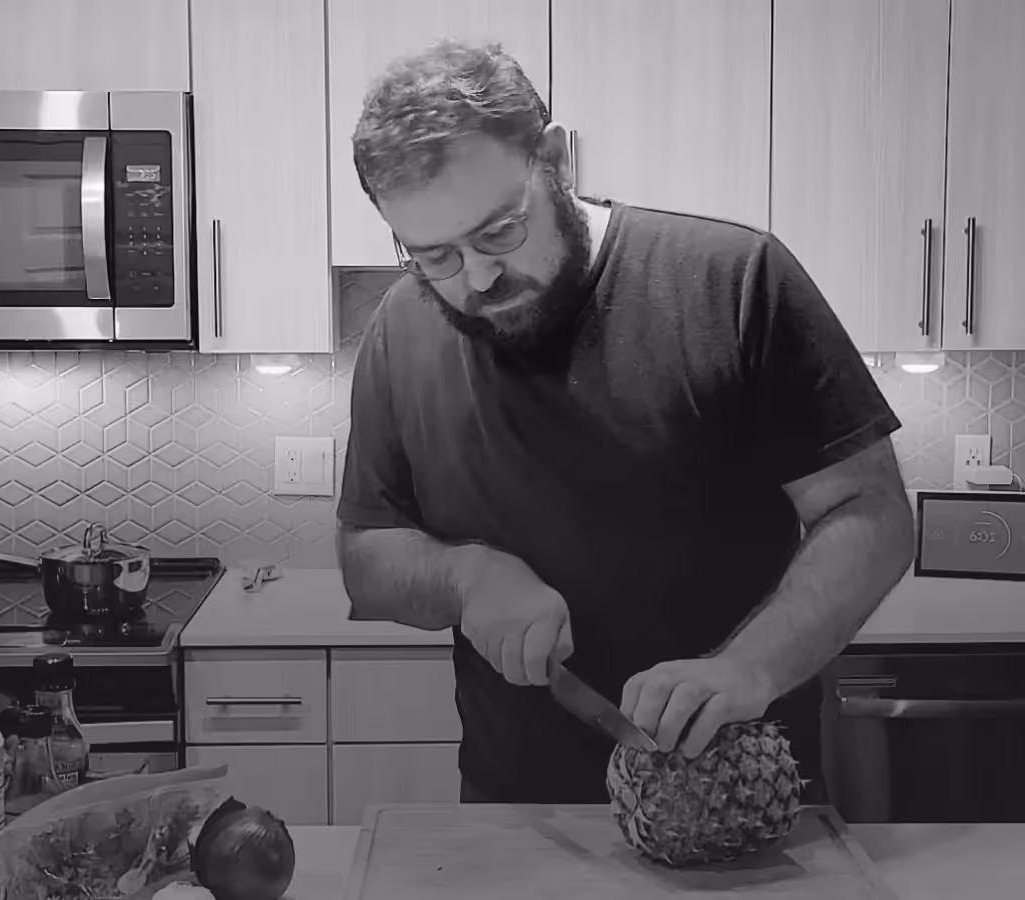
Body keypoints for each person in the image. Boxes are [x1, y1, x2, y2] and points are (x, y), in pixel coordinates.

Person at [334, 39, 916, 805]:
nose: (476, 278)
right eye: (434, 254)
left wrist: (751, 668)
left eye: (501, 231)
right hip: (514, 816)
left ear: (553, 159)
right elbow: (365, 555)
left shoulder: (734, 282)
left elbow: (870, 514)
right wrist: (464, 577)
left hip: (739, 806)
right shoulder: (401, 329)